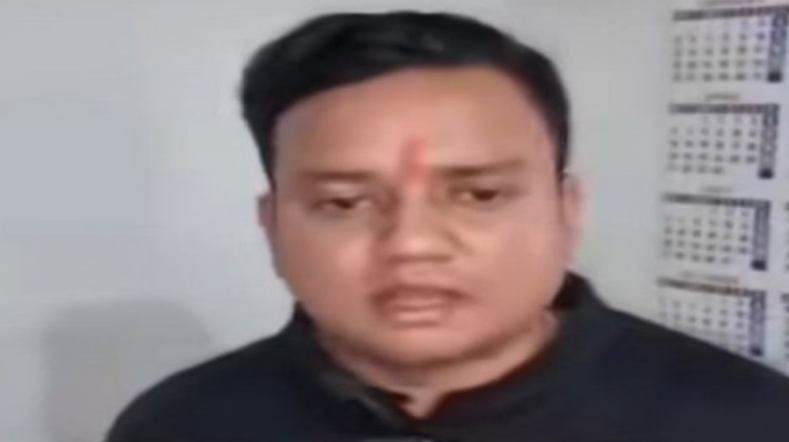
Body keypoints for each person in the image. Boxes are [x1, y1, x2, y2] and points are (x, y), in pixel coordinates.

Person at [105, 11, 789, 442]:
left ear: (567, 211)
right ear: (272, 225)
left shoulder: (747, 420)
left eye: (479, 195)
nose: (412, 244)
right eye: (344, 204)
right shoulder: (180, 424)